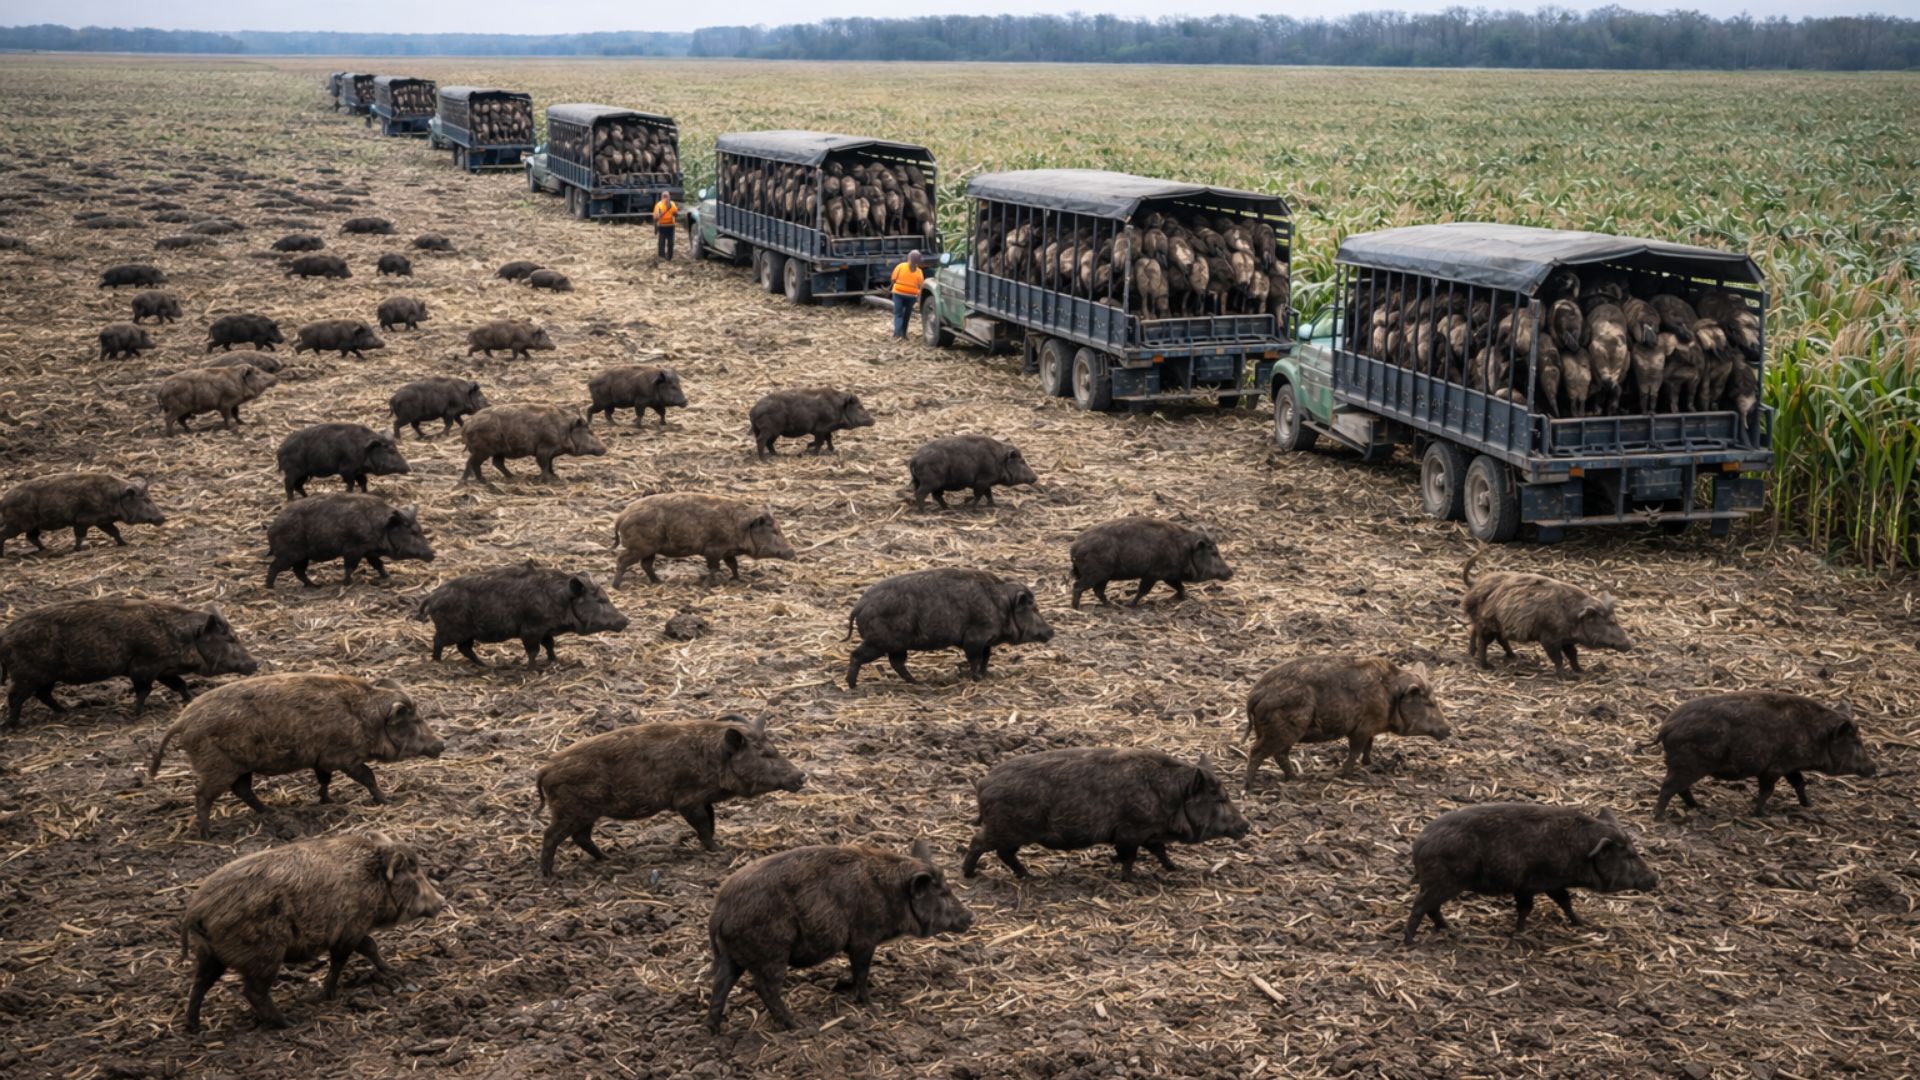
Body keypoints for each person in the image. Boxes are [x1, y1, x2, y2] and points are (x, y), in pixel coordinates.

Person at [890, 250, 924, 339]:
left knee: (898, 314)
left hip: (898, 294)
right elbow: (920, 286)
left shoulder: (901, 266)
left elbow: (893, 279)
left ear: (908, 258)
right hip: (911, 296)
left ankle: (897, 334)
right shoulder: (919, 272)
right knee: (907, 315)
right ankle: (904, 335)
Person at [653, 191, 678, 260]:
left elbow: (676, 214)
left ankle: (669, 257)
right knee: (661, 242)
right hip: (662, 226)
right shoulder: (659, 205)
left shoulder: (672, 204)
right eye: (664, 196)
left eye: (667, 196)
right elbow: (655, 217)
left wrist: (673, 211)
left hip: (670, 226)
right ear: (661, 197)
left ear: (669, 197)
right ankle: (662, 257)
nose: (665, 198)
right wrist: (655, 228)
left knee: (670, 243)